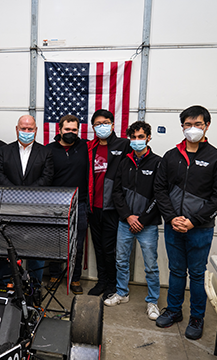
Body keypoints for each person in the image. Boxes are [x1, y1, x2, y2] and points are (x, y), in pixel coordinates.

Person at [154, 105, 217, 340]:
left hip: (200, 229)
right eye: (188, 124)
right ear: (182, 126)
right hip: (173, 226)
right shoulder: (171, 156)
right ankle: (174, 310)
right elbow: (160, 189)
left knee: (197, 274)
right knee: (176, 270)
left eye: (198, 124)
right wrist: (171, 217)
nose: (193, 129)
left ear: (207, 126)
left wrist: (193, 221)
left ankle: (197, 317)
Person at [106, 121, 162, 321]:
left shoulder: (158, 162)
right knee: (121, 260)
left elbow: (159, 195)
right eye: (134, 137)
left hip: (148, 224)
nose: (137, 141)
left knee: (150, 265)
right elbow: (117, 192)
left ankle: (152, 301)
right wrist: (128, 216)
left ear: (148, 137)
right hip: (125, 222)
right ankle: (122, 293)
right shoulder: (124, 162)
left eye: (141, 137)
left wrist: (143, 219)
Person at [0, 115, 54, 287]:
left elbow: (47, 177)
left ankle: (34, 287)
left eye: (30, 129)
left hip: (36, 210)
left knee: (36, 250)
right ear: (16, 129)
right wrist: (15, 194)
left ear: (36, 131)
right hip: (9, 210)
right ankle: (6, 285)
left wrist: (26, 195)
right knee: (7, 248)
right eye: (23, 128)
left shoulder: (45, 152)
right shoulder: (4, 151)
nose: (26, 132)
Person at [86, 109, 131, 298]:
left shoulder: (124, 145)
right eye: (97, 124)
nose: (101, 127)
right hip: (93, 207)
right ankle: (101, 281)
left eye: (105, 123)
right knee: (98, 247)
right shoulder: (90, 147)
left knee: (109, 248)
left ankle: (112, 284)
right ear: (93, 127)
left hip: (113, 208)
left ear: (113, 125)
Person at [46, 115, 89, 295]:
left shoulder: (85, 147)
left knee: (77, 244)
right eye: (67, 129)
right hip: (56, 204)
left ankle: (75, 278)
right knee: (56, 242)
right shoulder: (49, 149)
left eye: (74, 130)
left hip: (80, 204)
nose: (71, 133)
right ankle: (55, 275)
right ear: (59, 130)